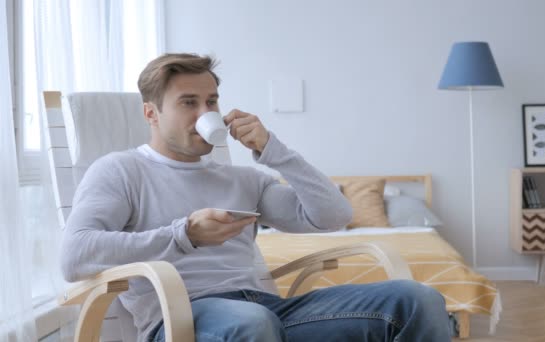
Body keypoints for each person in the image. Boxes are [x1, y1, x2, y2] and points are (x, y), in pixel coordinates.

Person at [61, 53, 451, 342]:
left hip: (268, 310)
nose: (204, 113)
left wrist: (272, 148)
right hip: (182, 317)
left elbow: (333, 214)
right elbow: (75, 255)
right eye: (188, 102)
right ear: (151, 113)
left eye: (211, 101)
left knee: (418, 299)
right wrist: (185, 235)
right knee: (251, 322)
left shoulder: (244, 178)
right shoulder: (120, 171)